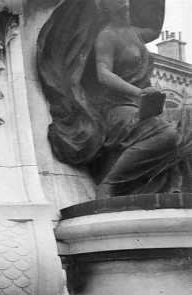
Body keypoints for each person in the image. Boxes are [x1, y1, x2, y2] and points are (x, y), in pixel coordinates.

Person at [37, 0, 192, 198]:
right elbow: (103, 75)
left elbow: (155, 25)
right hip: (115, 108)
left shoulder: (136, 33)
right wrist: (138, 92)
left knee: (189, 118)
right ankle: (110, 185)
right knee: (167, 135)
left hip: (139, 105)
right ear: (103, 6)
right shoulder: (106, 36)